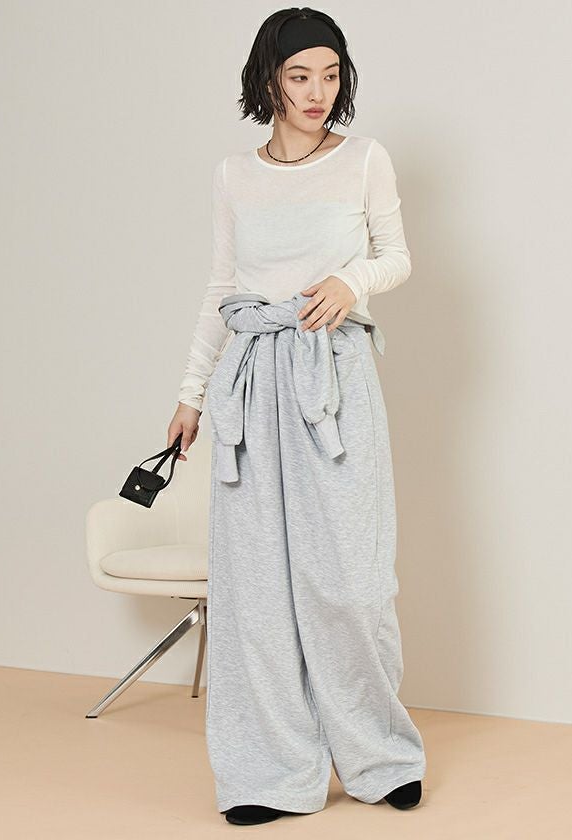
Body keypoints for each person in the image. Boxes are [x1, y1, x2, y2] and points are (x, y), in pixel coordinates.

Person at [167, 7, 426, 827]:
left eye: (331, 74)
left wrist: (353, 282)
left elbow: (396, 256)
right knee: (255, 590)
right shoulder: (232, 174)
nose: (318, 92)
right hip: (250, 382)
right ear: (269, 80)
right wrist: (191, 394)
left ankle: (379, 757)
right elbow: (221, 288)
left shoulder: (364, 160)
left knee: (351, 582)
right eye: (300, 75)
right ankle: (268, 773)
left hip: (333, 378)